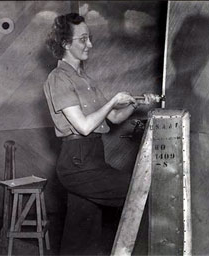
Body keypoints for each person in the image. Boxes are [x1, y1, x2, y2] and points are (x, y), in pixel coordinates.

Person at [44, 13, 155, 255]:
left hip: (94, 156)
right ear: (65, 43)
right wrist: (114, 100)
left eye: (90, 38)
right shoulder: (58, 79)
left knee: (80, 236)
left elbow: (113, 118)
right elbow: (84, 126)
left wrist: (135, 103)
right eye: (83, 39)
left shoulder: (86, 80)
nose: (90, 45)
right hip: (77, 162)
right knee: (140, 192)